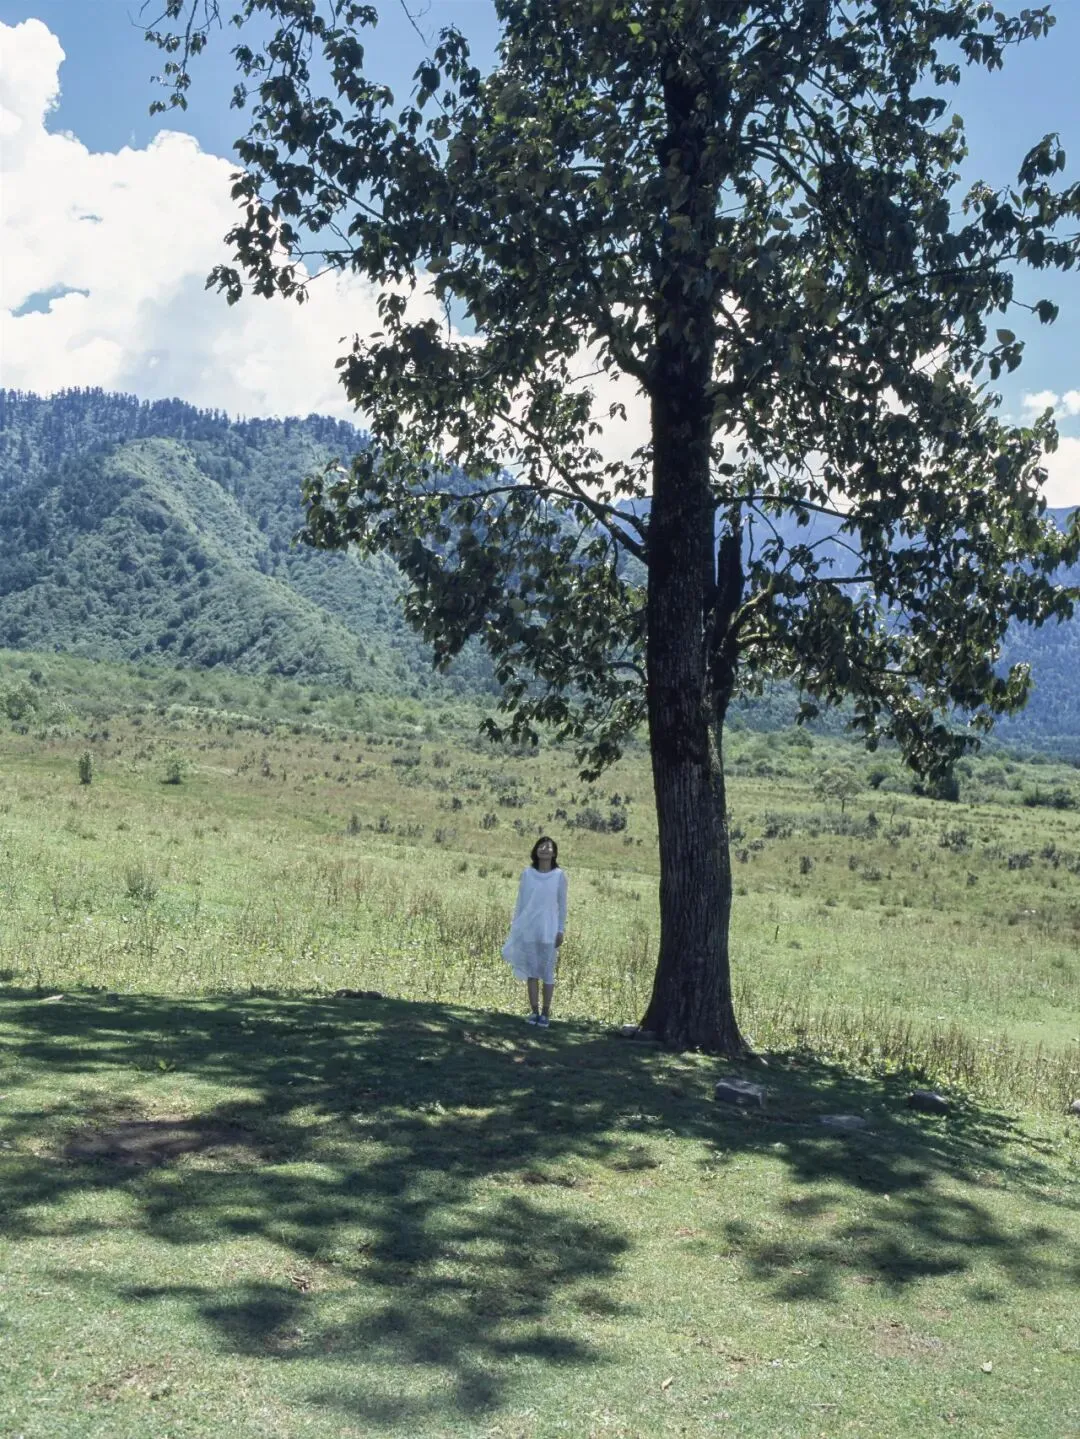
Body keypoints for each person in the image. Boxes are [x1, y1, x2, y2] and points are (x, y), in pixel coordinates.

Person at [502, 835, 567, 1028]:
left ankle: (546, 1013)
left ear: (554, 853)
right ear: (535, 851)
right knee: (532, 972)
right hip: (529, 929)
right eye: (541, 846)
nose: (544, 850)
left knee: (547, 973)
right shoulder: (527, 874)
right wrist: (517, 926)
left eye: (548, 847)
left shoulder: (559, 876)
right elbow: (520, 903)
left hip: (549, 931)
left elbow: (562, 906)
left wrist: (560, 929)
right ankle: (534, 1011)